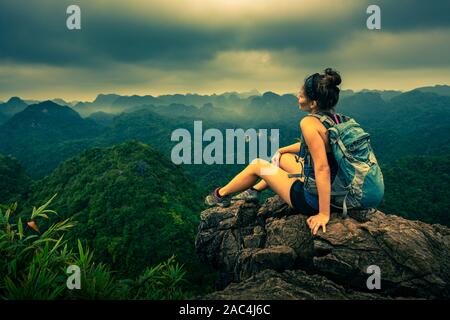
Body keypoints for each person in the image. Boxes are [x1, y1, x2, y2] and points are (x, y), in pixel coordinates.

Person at [205, 68, 343, 235]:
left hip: (312, 200)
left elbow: (322, 168)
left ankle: (220, 195)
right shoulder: (336, 120)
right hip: (338, 190)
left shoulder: (308, 123)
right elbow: (314, 148)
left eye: (301, 95)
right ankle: (254, 191)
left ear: (313, 103)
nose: (297, 97)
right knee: (283, 158)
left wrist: (323, 213)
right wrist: (281, 150)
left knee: (257, 165)